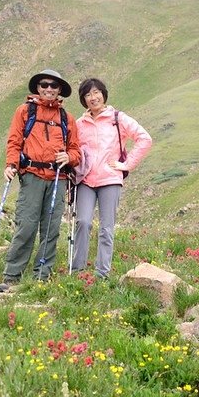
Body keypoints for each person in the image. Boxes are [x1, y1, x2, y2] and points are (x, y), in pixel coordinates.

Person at [0, 69, 81, 292]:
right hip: (32, 176)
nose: (48, 89)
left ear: (60, 90)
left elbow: (75, 150)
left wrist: (69, 157)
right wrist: (11, 165)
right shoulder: (25, 111)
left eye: (54, 86)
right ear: (37, 87)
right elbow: (15, 141)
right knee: (26, 225)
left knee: (51, 229)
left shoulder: (67, 118)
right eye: (44, 85)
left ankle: (42, 277)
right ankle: (12, 275)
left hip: (57, 178)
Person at [71, 78, 152, 278]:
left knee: (106, 228)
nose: (93, 97)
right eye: (88, 94)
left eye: (97, 92)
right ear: (83, 99)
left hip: (110, 179)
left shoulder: (118, 118)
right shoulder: (79, 124)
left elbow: (144, 138)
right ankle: (77, 271)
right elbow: (73, 150)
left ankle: (102, 273)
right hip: (86, 181)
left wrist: (126, 165)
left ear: (104, 94)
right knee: (82, 222)